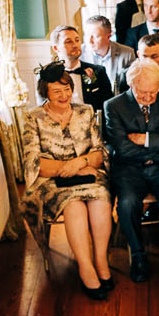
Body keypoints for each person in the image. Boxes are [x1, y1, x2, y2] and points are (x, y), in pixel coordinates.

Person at [22, 63, 113, 300]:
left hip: (88, 175)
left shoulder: (85, 112)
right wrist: (70, 167)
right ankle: (86, 267)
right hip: (52, 182)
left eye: (67, 89)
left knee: (101, 200)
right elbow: (34, 162)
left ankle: (101, 260)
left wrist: (80, 162)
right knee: (74, 206)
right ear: (46, 93)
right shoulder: (33, 118)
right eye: (56, 92)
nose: (64, 96)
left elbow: (99, 152)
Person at [104, 59, 159, 282]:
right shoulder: (113, 106)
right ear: (131, 85)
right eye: (143, 93)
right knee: (128, 203)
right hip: (130, 170)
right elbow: (122, 149)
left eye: (153, 92)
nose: (149, 98)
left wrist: (145, 139)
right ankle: (138, 255)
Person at [49, 25, 114, 111]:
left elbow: (108, 107)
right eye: (68, 42)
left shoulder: (98, 71)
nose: (75, 45)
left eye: (77, 40)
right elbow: (46, 109)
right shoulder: (48, 75)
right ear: (56, 48)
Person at [81, 15, 135, 89]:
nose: (89, 41)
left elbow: (130, 86)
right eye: (87, 35)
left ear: (108, 36)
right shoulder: (80, 54)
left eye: (95, 36)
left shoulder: (127, 53)